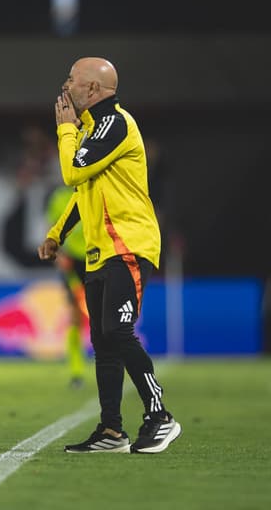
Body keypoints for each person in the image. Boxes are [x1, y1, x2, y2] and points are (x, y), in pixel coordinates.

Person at [38, 57, 181, 454]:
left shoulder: (114, 124)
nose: (66, 86)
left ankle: (160, 416)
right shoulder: (92, 129)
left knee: (117, 333)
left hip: (129, 245)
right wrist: (57, 234)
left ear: (94, 90)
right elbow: (83, 193)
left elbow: (71, 173)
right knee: (102, 339)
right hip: (103, 251)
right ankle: (112, 431)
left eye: (73, 80)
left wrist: (65, 130)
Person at [45, 185, 88, 389]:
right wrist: (59, 254)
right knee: (75, 316)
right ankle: (76, 371)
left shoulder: (97, 188)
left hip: (98, 258)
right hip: (72, 262)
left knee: (106, 315)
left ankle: (115, 366)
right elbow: (54, 225)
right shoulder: (60, 197)